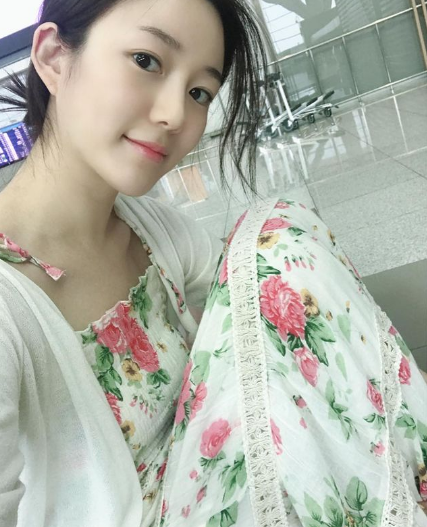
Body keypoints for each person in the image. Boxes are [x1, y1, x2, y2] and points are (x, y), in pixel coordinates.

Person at [0, 1, 426, 527]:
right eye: (146, 60)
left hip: (221, 492)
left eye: (200, 92)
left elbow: (272, 331)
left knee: (279, 239)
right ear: (53, 57)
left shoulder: (152, 231)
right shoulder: (8, 305)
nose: (176, 115)